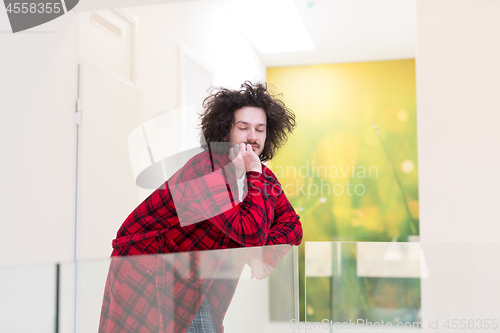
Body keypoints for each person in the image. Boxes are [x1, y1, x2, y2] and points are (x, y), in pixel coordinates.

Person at [98, 81, 303, 333]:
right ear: (225, 130)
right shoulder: (204, 169)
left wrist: (265, 255)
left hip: (195, 277)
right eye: (243, 127)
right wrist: (255, 249)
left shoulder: (261, 175)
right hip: (148, 269)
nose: (252, 136)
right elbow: (248, 233)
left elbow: (292, 226)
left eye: (260, 130)